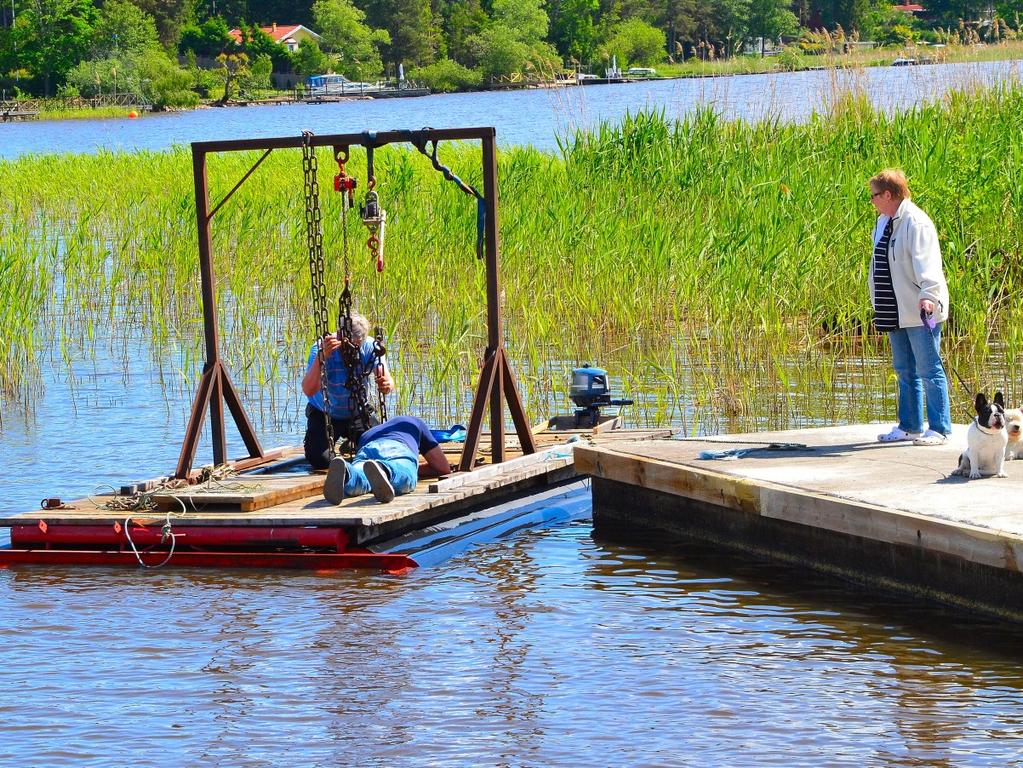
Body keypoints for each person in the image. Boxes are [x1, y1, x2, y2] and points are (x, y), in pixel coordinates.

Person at [868, 169, 952, 446]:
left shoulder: (916, 222)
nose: (872, 201)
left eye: (875, 195)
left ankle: (939, 428)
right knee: (904, 369)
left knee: (929, 368)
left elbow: (928, 264)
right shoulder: (883, 222)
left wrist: (928, 295)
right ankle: (910, 426)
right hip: (893, 308)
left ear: (889, 194)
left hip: (919, 308)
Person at [302, 312, 394, 469]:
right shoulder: (320, 348)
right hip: (325, 413)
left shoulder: (370, 347)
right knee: (320, 461)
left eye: (357, 345)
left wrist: (386, 384)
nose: (352, 350)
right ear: (339, 335)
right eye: (348, 344)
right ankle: (350, 445)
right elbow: (309, 390)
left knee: (380, 451)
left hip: (358, 412)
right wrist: (322, 357)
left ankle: (354, 442)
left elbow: (387, 381)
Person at [323, 415, 453, 504]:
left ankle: (348, 475)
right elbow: (442, 468)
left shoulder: (368, 433)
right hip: (396, 447)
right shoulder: (415, 422)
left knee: (362, 475)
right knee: (405, 475)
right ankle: (384, 470)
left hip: (367, 448)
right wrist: (415, 469)